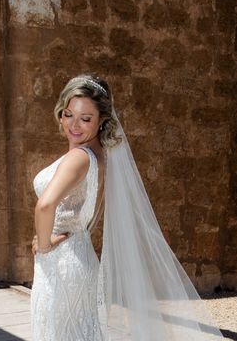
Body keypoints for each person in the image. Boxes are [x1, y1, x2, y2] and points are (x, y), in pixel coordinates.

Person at [30, 74, 222, 340]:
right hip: (79, 256)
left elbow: (45, 205)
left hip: (61, 264)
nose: (74, 125)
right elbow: (87, 216)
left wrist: (45, 244)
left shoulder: (77, 157)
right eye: (68, 114)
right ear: (60, 112)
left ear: (101, 122)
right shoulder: (100, 155)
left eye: (86, 118)